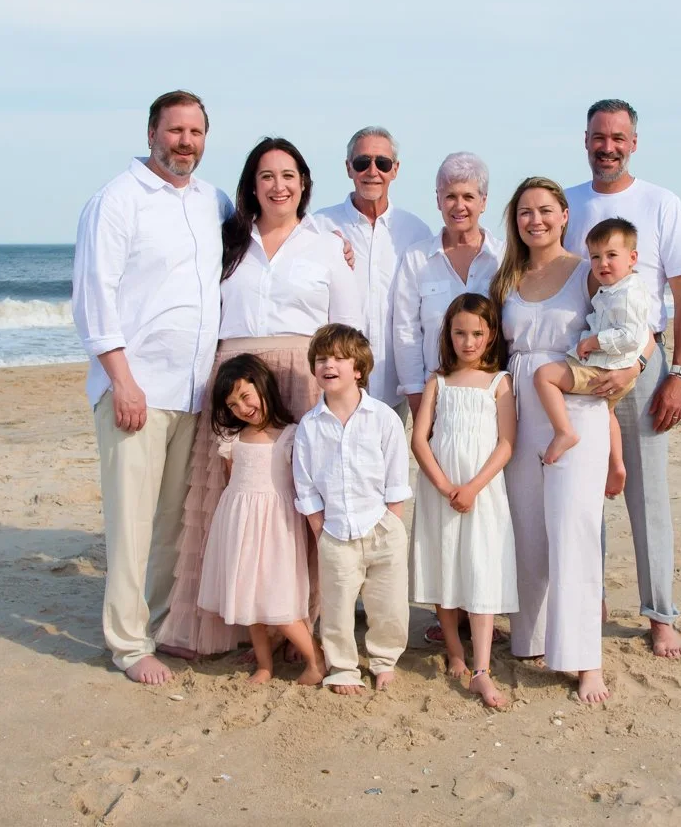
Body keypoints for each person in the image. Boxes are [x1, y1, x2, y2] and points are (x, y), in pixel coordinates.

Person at [158, 138, 363, 657]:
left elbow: (348, 327)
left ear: (304, 183)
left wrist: (345, 396)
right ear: (252, 185)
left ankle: (299, 622)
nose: (279, 186)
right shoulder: (225, 240)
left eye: (289, 175)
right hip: (236, 381)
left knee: (300, 505)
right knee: (230, 498)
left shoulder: (325, 243)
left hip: (303, 376)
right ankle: (233, 623)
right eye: (267, 176)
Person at [70, 89, 231, 685]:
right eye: (174, 131)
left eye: (195, 132)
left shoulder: (213, 202)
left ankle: (158, 628)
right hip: (135, 391)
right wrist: (122, 380)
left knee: (171, 524)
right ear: (150, 134)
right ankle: (127, 643)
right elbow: (93, 300)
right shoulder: (116, 202)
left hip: (193, 393)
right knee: (130, 524)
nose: (184, 142)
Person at [562, 100, 681, 660]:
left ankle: (660, 615)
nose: (608, 147)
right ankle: (588, 604)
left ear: (634, 143)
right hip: (583, 372)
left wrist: (680, 375)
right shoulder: (567, 205)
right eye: (599, 137)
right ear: (586, 140)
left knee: (647, 499)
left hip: (645, 368)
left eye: (618, 137)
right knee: (584, 491)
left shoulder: (662, 204)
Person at [493, 177, 638, 704]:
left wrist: (633, 370)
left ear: (563, 217)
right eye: (526, 212)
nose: (536, 220)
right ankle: (531, 637)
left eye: (546, 210)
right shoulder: (507, 275)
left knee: (574, 528)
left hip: (575, 404)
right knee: (527, 526)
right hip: (520, 406)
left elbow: (636, 324)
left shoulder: (588, 271)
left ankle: (584, 660)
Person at [409, 293, 517, 709]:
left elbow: (507, 441)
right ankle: (454, 649)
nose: (467, 342)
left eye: (477, 334)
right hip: (441, 490)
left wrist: (472, 486)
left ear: (490, 337)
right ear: (448, 334)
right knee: (444, 562)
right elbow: (420, 439)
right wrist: (443, 485)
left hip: (482, 491)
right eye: (459, 333)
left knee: (479, 566)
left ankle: (482, 668)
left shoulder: (498, 382)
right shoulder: (438, 380)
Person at [293, 324, 412, 694]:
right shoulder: (310, 427)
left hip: (381, 528)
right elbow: (306, 484)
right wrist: (319, 527)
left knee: (388, 605)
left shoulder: (382, 418)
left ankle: (384, 660)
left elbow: (396, 477)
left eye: (339, 358)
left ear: (358, 369)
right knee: (337, 607)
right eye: (321, 359)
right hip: (334, 532)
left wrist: (391, 522)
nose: (328, 365)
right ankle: (342, 667)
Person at [197, 354, 326, 686]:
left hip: (277, 527)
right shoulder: (232, 439)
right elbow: (232, 484)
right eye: (232, 403)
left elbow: (301, 485)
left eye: (244, 395)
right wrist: (237, 521)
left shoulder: (290, 436)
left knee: (279, 600)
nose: (241, 407)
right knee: (249, 599)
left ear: (262, 385)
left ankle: (315, 659)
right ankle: (264, 665)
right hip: (239, 525)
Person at [311, 126, 432, 409]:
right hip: (334, 389)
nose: (372, 171)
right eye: (363, 162)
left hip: (397, 390)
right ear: (349, 168)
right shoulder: (319, 227)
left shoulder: (417, 232)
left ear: (395, 170)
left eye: (383, 163)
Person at [534, 217, 654, 486]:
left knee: (544, 377)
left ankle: (564, 431)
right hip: (612, 368)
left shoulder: (627, 294)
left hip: (604, 367)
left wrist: (594, 342)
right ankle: (616, 465)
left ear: (632, 257)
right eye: (596, 257)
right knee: (607, 414)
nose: (603, 263)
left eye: (612, 255)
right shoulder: (616, 289)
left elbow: (632, 335)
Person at [392, 152, 506, 417]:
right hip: (435, 397)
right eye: (450, 196)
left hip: (493, 399)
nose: (459, 206)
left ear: (484, 202)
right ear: (438, 200)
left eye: (468, 197)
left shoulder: (503, 258)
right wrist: (417, 397)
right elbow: (406, 332)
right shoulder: (417, 258)